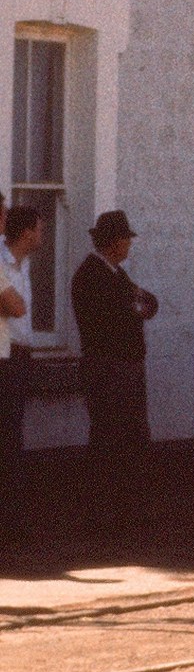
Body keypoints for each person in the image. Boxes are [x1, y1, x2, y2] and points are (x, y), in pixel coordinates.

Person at [72, 210, 160, 536]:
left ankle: (125, 511)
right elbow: (123, 315)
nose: (129, 244)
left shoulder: (115, 274)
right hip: (108, 368)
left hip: (123, 367)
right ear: (112, 242)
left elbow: (149, 303)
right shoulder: (93, 275)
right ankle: (106, 516)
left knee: (130, 438)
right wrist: (135, 308)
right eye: (125, 238)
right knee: (112, 438)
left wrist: (136, 307)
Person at [0, 204, 48, 545]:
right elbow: (16, 307)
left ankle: (13, 527)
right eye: (40, 229)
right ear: (27, 232)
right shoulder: (1, 261)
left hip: (20, 357)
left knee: (12, 440)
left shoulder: (24, 263)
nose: (42, 235)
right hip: (5, 357)